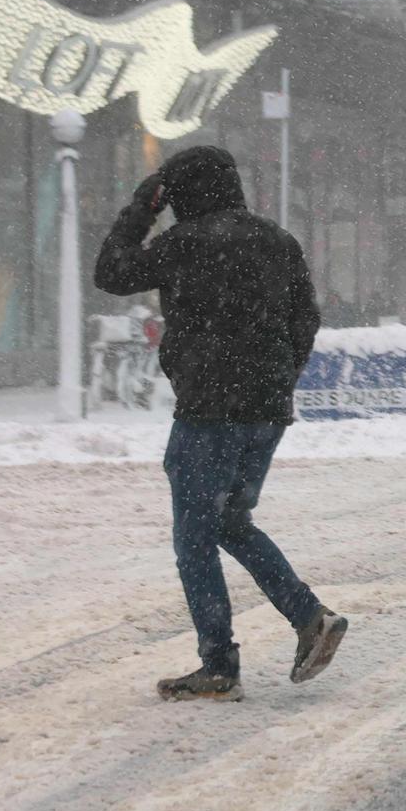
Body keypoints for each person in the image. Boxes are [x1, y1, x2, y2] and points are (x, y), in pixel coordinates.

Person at [94, 145, 347, 702]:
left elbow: (110, 271)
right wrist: (277, 377)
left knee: (194, 540)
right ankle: (310, 619)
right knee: (231, 521)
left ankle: (218, 664)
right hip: (265, 412)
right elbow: (306, 317)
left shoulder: (184, 242)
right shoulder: (278, 240)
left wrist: (142, 206)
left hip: (209, 412)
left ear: (179, 192)